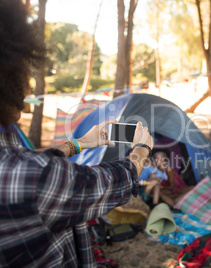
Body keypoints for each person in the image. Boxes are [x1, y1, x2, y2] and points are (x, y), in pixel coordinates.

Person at [0, 1, 154, 267]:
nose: (26, 97)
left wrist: (80, 144)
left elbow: (23, 160)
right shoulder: (32, 179)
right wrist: (141, 150)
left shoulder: (16, 165)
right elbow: (109, 183)